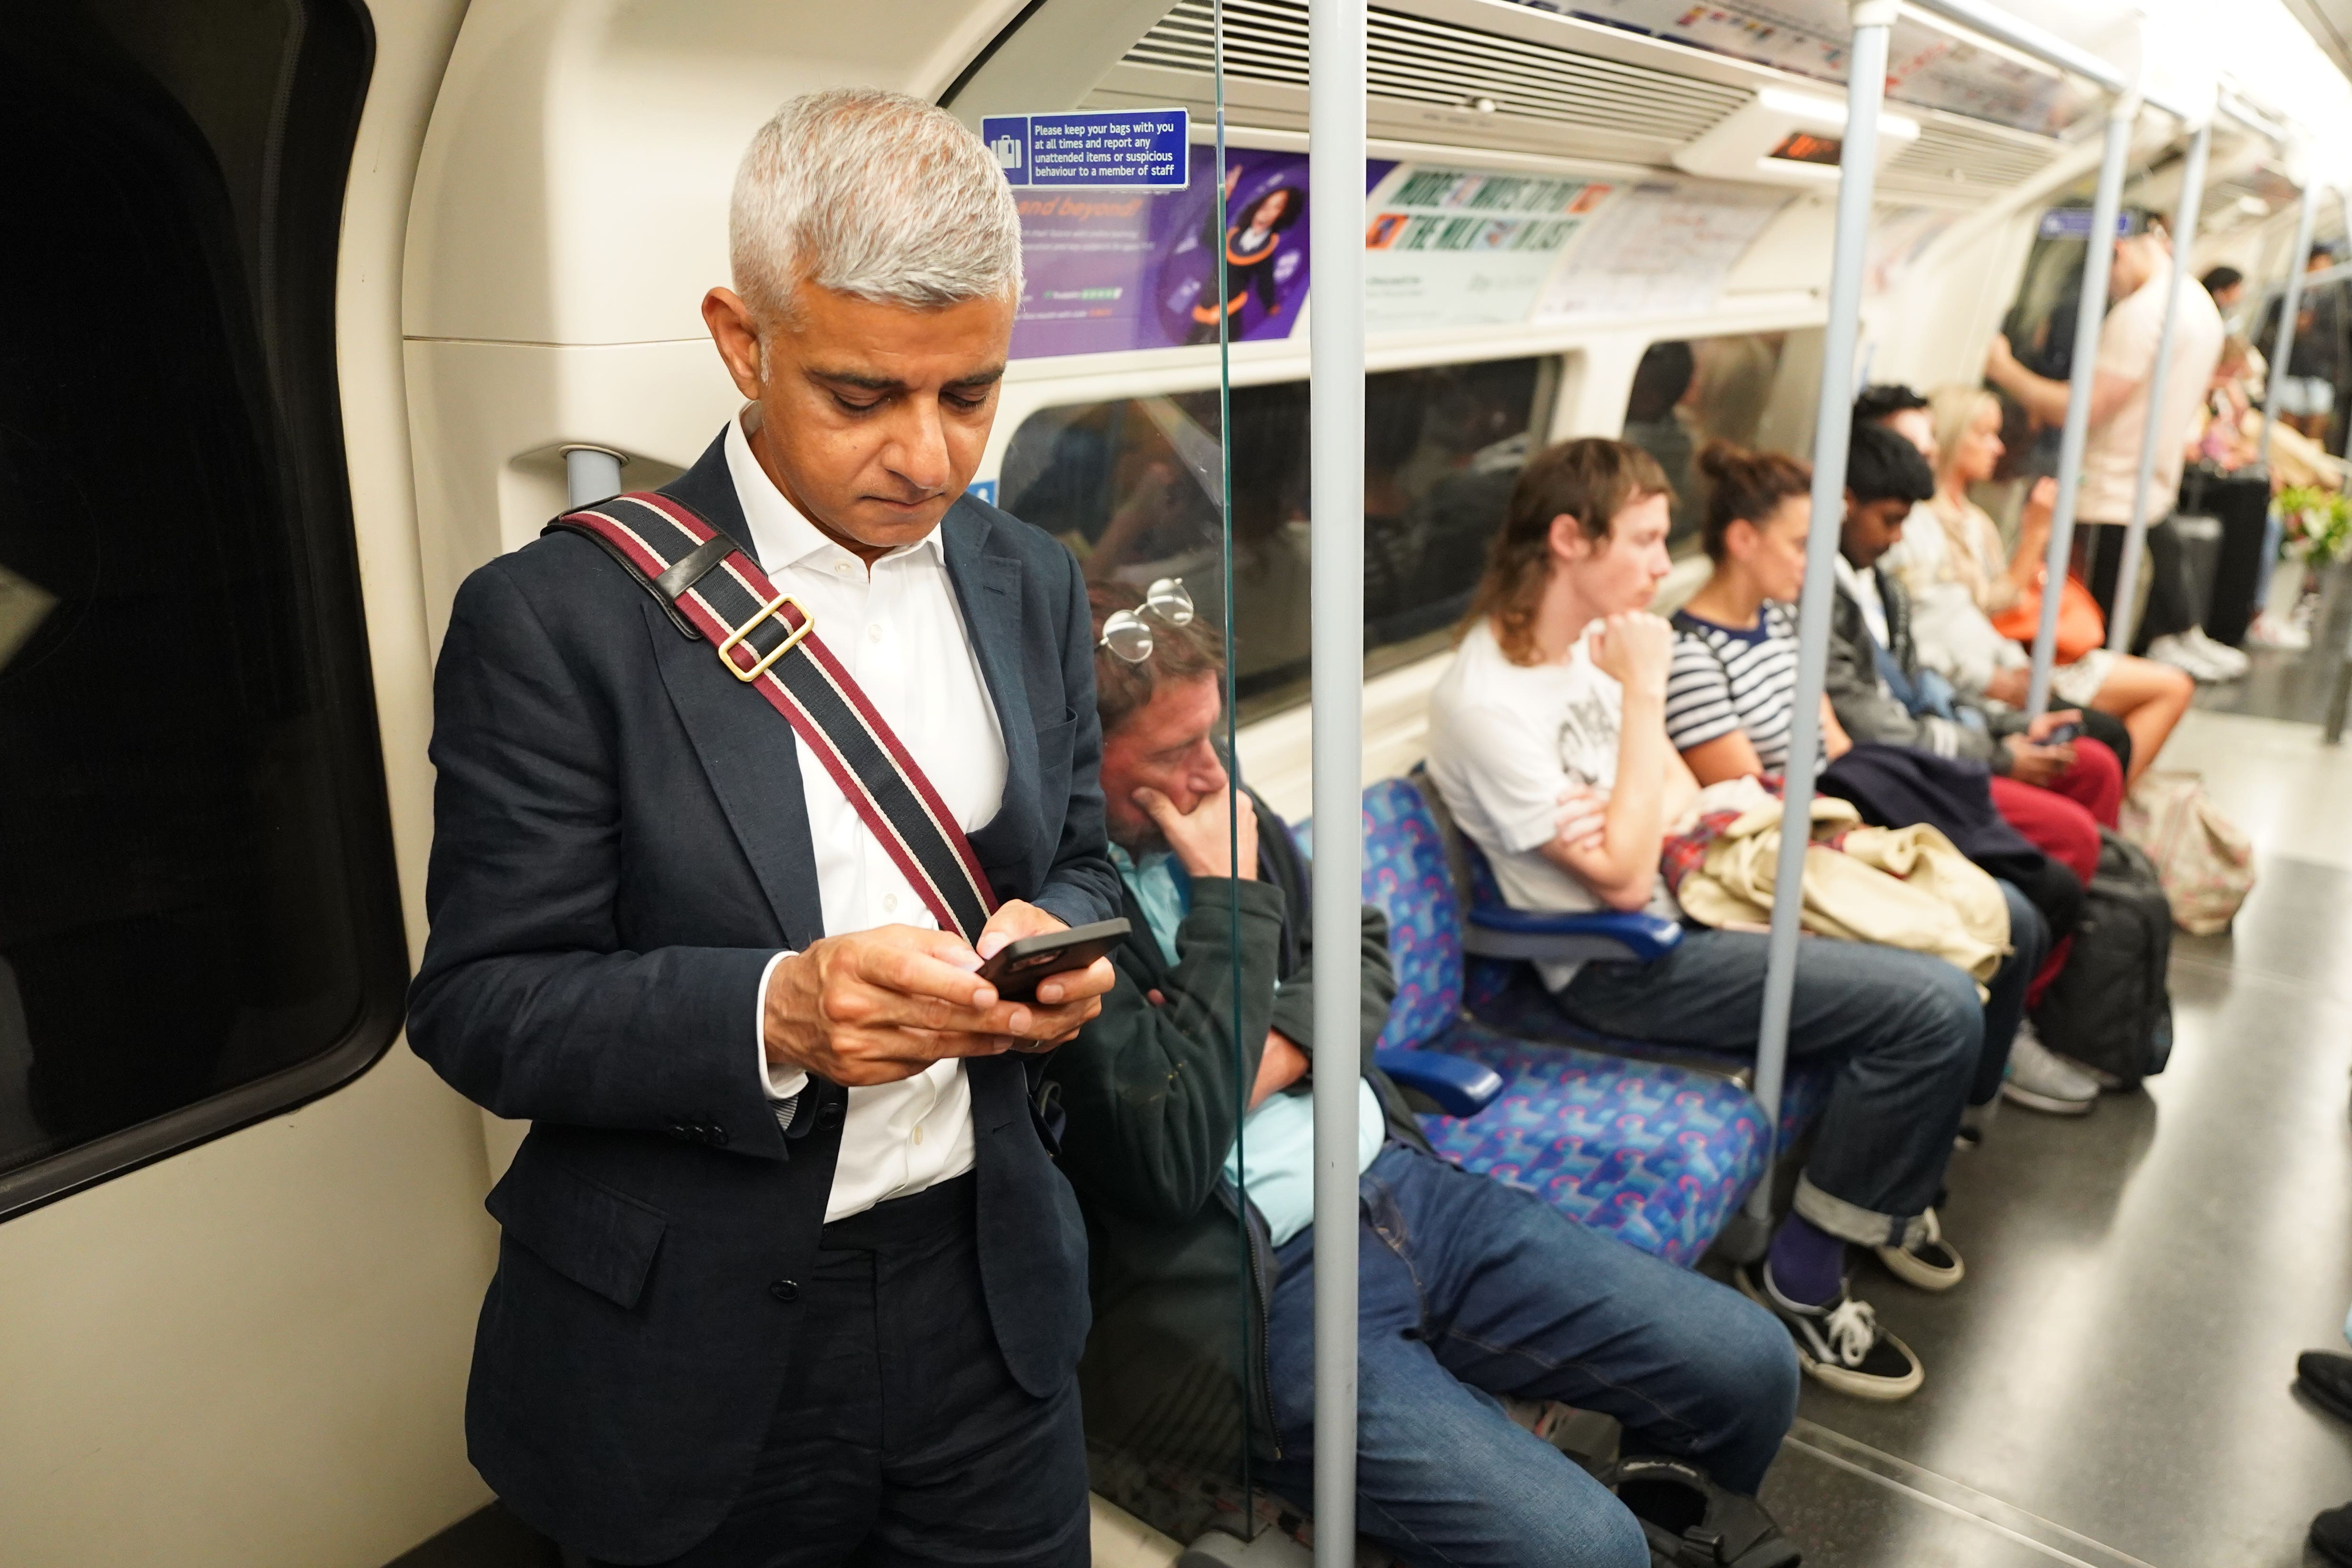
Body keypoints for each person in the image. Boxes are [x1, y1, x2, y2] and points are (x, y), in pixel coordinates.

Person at [406, 90, 1124, 1568]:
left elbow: (1083, 852)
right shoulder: (559, 622)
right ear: (743, 342)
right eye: (862, 397)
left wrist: (1055, 936)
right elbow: (481, 1007)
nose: (928, 460)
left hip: (985, 1293)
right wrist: (773, 1014)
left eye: (971, 394)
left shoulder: (1029, 580)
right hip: (696, 1331)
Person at [1048, 581, 1801, 1568]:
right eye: (1170, 752)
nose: (1207, 772)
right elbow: (1167, 1148)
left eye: (1213, 739)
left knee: (1748, 1367)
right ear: (1073, 754)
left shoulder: (1223, 796)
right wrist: (1234, 907)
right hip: (1258, 1280)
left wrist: (1242, 1050)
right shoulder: (1056, 916)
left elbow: (1362, 951)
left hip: (1400, 1184)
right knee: (1584, 1549)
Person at [1425, 436, 2041, 1403]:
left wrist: (1636, 802)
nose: (1666, 567)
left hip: (1705, 896)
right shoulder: (1487, 698)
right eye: (1645, 541)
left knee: (1991, 921)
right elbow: (1625, 881)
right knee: (1931, 1009)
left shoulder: (1597, 648)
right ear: (1567, 540)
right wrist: (1640, 712)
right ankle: (1799, 1274)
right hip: (1622, 961)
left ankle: (1889, 1188)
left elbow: (1674, 801)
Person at [1665, 441, 2092, 1116]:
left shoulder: (1778, 623)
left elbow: (1832, 739)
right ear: (1743, 540)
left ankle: (1967, 1090)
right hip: (1784, 839)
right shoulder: (1690, 657)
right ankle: (1961, 1088)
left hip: (1834, 804)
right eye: (1801, 546)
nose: (1812, 565)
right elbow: (1752, 802)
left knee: (2019, 905)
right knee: (2004, 912)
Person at [1984, 212, 2238, 680]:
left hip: (2107, 495)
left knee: (2093, 641)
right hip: (2145, 486)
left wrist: (2004, 371)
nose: (2108, 288)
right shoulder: (2195, 301)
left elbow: (2081, 409)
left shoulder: (2142, 313)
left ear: (2116, 252)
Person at [1895, 385, 2192, 785]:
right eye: (1982, 434)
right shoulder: (1922, 524)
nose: (1997, 448)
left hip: (2008, 655)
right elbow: (1983, 606)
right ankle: (2107, 801)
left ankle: (2111, 799)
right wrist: (2035, 534)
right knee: (2138, 714)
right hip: (1988, 663)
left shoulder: (1977, 521)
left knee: (2168, 691)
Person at [2259, 244, 2348, 444]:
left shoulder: (2333, 304)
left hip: (2318, 375)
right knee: (2286, 434)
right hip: (2289, 372)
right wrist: (2291, 327)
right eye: (2319, 267)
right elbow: (2267, 335)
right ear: (2307, 266)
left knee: (2314, 434)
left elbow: (2336, 341)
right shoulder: (2284, 298)